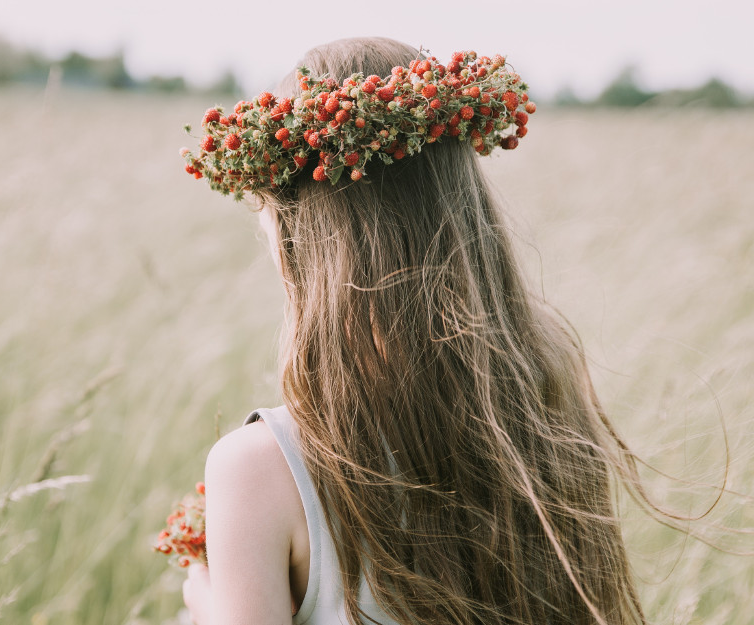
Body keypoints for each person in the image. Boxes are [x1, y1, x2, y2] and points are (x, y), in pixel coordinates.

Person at [180, 37, 647, 625]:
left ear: (295, 238)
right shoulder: (547, 402)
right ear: (466, 214)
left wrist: (209, 603)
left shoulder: (258, 469)